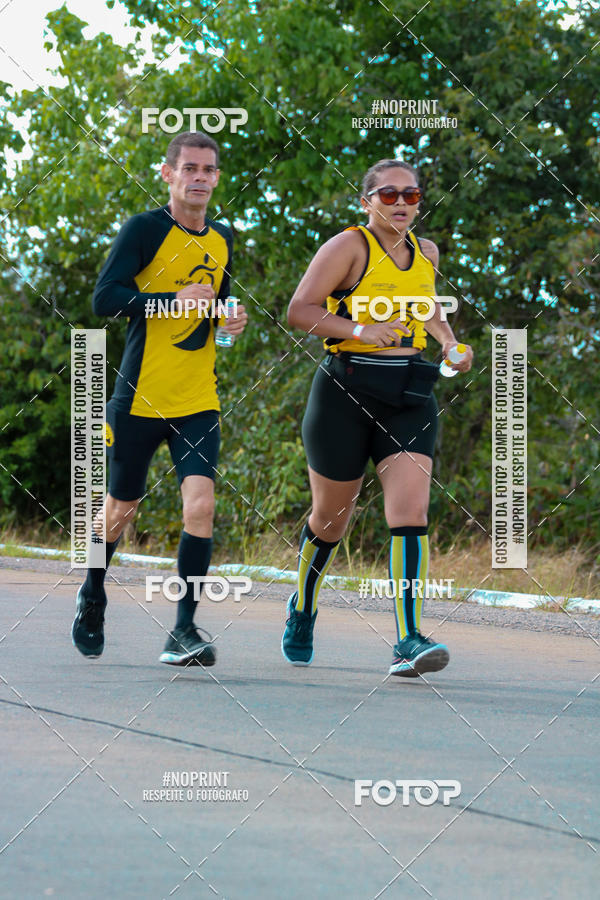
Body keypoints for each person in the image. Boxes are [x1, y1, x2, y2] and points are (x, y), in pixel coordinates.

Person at [281, 158, 473, 676]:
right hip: (344, 391)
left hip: (409, 394)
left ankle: (408, 639)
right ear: (366, 201)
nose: (402, 203)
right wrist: (360, 330)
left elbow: (427, 306)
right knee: (331, 520)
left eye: (411, 195)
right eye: (389, 195)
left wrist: (450, 342)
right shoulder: (349, 247)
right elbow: (300, 311)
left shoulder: (426, 252)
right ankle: (302, 606)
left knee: (411, 512)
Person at [72, 131, 247, 666]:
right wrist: (171, 298)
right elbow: (105, 298)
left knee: (201, 506)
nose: (199, 178)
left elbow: (212, 309)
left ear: (217, 178)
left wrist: (227, 323)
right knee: (120, 510)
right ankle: (92, 593)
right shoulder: (144, 229)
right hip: (139, 400)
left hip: (197, 401)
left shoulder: (223, 238)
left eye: (208, 170)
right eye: (189, 168)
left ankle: (183, 630)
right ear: (167, 174)